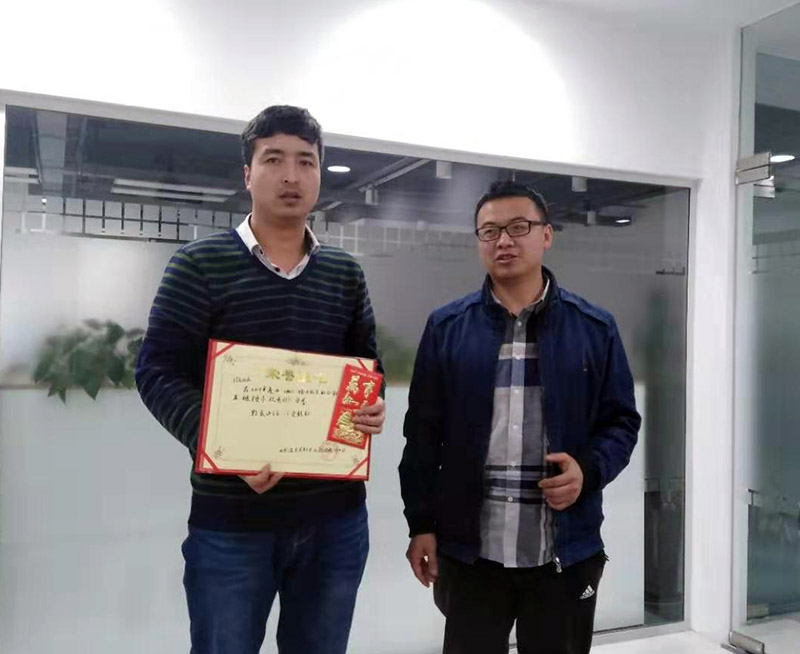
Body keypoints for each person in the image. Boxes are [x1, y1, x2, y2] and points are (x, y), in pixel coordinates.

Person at [136, 105, 385, 654]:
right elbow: (156, 371)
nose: (291, 175)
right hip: (233, 520)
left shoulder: (345, 273)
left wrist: (371, 405)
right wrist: (224, 445)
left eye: (306, 161)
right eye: (274, 159)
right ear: (248, 173)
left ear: (319, 174)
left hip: (336, 520)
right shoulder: (198, 264)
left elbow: (366, 368)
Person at [399, 180, 640, 654]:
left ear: (546, 235)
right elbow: (422, 436)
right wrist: (420, 524)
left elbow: (621, 423)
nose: (504, 241)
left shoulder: (593, 327)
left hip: (563, 551)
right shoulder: (447, 327)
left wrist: (587, 470)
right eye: (489, 231)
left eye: (518, 227)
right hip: (472, 552)